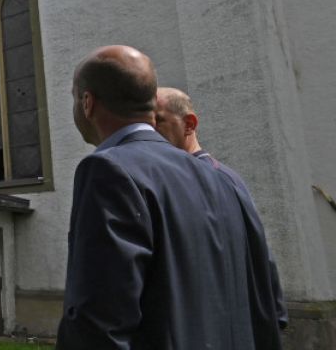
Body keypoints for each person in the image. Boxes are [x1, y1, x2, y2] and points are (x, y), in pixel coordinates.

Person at [58, 45, 283, 349]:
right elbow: (264, 296)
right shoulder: (220, 177)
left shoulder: (109, 170)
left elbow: (100, 319)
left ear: (87, 103)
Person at [154, 87, 289, 332]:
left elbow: (258, 250)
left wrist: (274, 317)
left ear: (189, 125)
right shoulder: (193, 176)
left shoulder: (211, 178)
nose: (151, 131)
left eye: (159, 121)